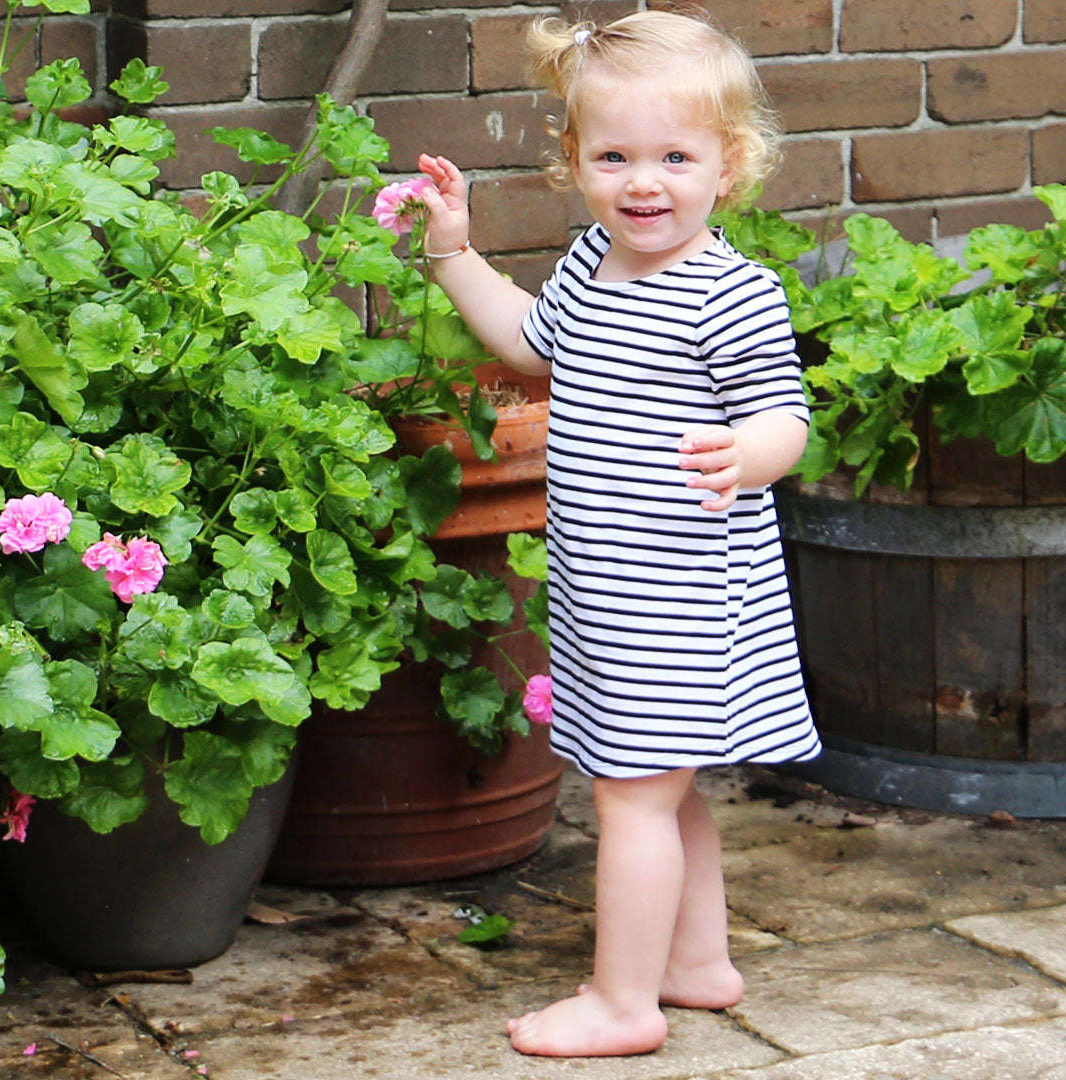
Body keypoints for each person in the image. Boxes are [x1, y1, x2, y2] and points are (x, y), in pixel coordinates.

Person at [416, 8, 821, 1058]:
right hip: (611, 585)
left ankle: (622, 1002)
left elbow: (784, 411)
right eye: (616, 156)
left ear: (730, 166)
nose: (646, 182)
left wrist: (753, 453)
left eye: (676, 157)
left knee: (636, 795)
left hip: (682, 590)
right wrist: (456, 253)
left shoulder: (730, 292)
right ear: (576, 163)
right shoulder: (597, 265)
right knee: (662, 786)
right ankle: (695, 963)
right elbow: (525, 337)